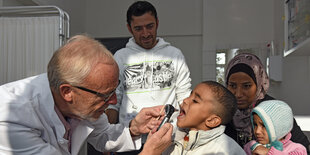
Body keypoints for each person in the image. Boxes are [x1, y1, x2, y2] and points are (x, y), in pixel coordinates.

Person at [0, 34, 173, 155]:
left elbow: (103, 133)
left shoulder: (81, 102)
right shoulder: (11, 118)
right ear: (67, 92)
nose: (113, 101)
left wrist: (134, 128)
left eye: (115, 90)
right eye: (105, 95)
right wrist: (149, 152)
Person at [106, 1, 192, 154]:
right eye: (138, 28)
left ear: (157, 23)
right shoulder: (120, 57)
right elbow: (113, 102)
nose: (145, 34)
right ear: (129, 28)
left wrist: (187, 137)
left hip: (168, 140)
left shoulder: (175, 55)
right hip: (129, 141)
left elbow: (184, 99)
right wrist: (108, 142)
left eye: (150, 26)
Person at [224, 53, 310, 153]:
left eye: (246, 86)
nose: (238, 94)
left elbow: (304, 149)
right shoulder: (223, 111)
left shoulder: (274, 110)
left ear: (259, 84)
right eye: (232, 86)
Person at [163, 81, 246, 155]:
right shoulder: (175, 137)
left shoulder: (223, 150)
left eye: (195, 101)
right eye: (189, 95)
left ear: (212, 121)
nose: (185, 100)